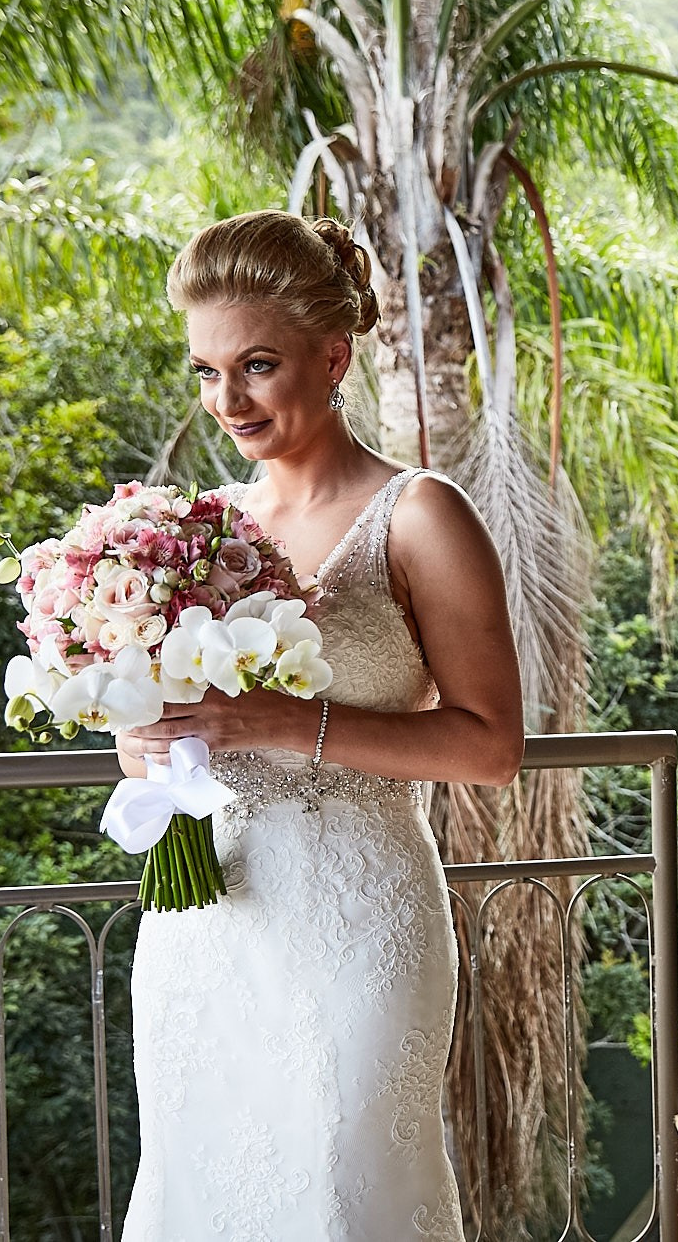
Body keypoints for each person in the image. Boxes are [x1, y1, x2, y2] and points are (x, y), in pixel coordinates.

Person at [114, 211, 524, 1239]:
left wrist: (288, 722)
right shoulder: (194, 531)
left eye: (255, 365)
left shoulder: (419, 516)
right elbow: (154, 741)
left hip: (359, 919)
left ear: (332, 355)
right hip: (207, 923)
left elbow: (489, 747)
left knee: (344, 1189)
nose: (227, 400)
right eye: (205, 372)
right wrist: (146, 735)